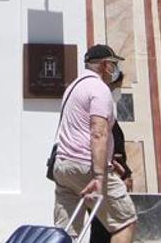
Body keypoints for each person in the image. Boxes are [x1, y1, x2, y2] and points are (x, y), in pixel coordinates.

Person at [52, 44, 137, 243]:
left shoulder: (72, 87)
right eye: (114, 64)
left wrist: (108, 158)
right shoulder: (100, 89)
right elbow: (98, 133)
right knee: (124, 222)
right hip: (87, 168)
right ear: (106, 65)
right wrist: (99, 174)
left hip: (64, 167)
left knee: (67, 233)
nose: (115, 70)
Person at [90, 68, 132, 243]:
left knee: (103, 227)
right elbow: (107, 147)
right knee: (119, 223)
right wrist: (124, 173)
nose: (118, 91)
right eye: (117, 87)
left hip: (108, 176)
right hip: (108, 177)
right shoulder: (102, 112)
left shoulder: (107, 112)